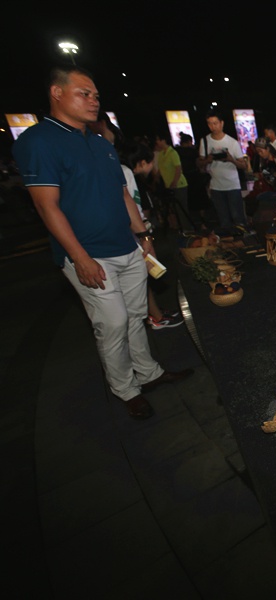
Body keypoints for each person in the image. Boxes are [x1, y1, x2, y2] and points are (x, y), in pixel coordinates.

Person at [12, 66, 191, 420]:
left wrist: (144, 237)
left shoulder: (100, 143)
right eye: (84, 93)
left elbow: (123, 195)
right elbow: (46, 206)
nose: (94, 101)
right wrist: (79, 257)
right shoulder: (38, 141)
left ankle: (149, 373)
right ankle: (125, 389)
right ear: (57, 93)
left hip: (127, 246)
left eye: (96, 95)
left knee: (136, 316)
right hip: (90, 254)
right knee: (113, 322)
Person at [198, 111, 249, 234]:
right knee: (223, 220)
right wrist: (208, 160)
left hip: (232, 185)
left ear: (222, 123)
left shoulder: (232, 142)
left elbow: (243, 165)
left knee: (238, 219)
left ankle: (240, 239)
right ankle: (228, 239)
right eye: (210, 124)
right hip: (216, 186)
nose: (213, 126)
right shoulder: (205, 141)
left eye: (215, 123)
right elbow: (199, 163)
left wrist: (231, 159)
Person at [154, 131, 191, 230]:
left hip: (179, 185)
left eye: (158, 140)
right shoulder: (162, 154)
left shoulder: (172, 153)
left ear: (163, 140)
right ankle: (179, 227)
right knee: (174, 209)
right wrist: (156, 178)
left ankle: (187, 229)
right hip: (169, 185)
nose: (157, 142)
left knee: (181, 208)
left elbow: (178, 169)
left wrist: (174, 182)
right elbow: (160, 168)